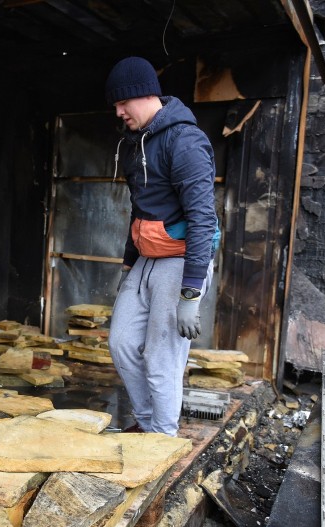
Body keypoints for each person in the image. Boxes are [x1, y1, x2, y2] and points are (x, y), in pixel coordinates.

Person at [104, 56, 220, 436]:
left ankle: (163, 438)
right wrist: (127, 267)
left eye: (123, 103)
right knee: (121, 342)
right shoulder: (136, 142)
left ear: (144, 94)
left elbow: (203, 218)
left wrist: (190, 293)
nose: (119, 112)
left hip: (180, 259)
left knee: (161, 357)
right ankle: (149, 423)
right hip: (147, 258)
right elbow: (140, 210)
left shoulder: (184, 140)